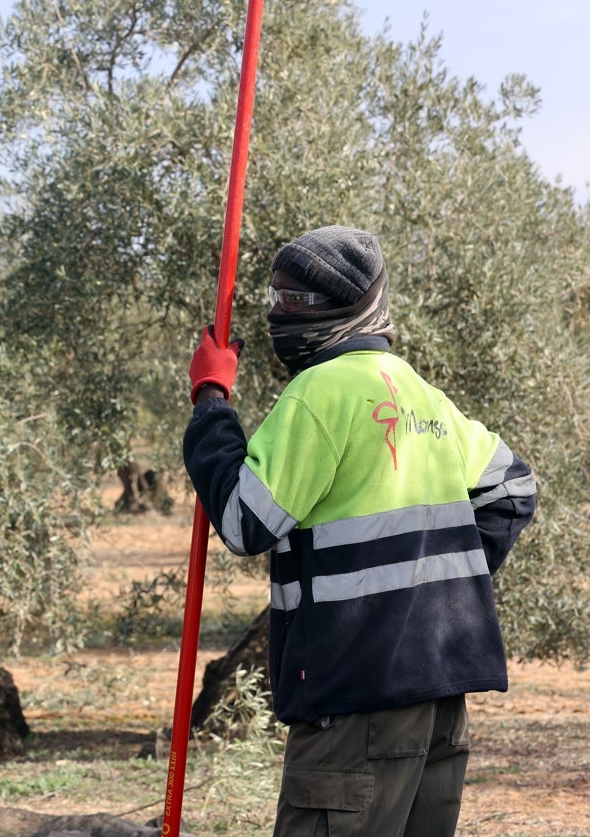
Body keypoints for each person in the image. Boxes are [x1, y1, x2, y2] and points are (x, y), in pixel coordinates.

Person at [182, 226, 536, 836]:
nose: (273, 313)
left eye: (290, 301)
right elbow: (514, 490)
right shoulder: (418, 392)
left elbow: (245, 522)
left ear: (337, 308)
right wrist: (434, 595)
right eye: (273, 296)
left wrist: (211, 401)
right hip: (439, 700)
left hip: (354, 703)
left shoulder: (322, 391)